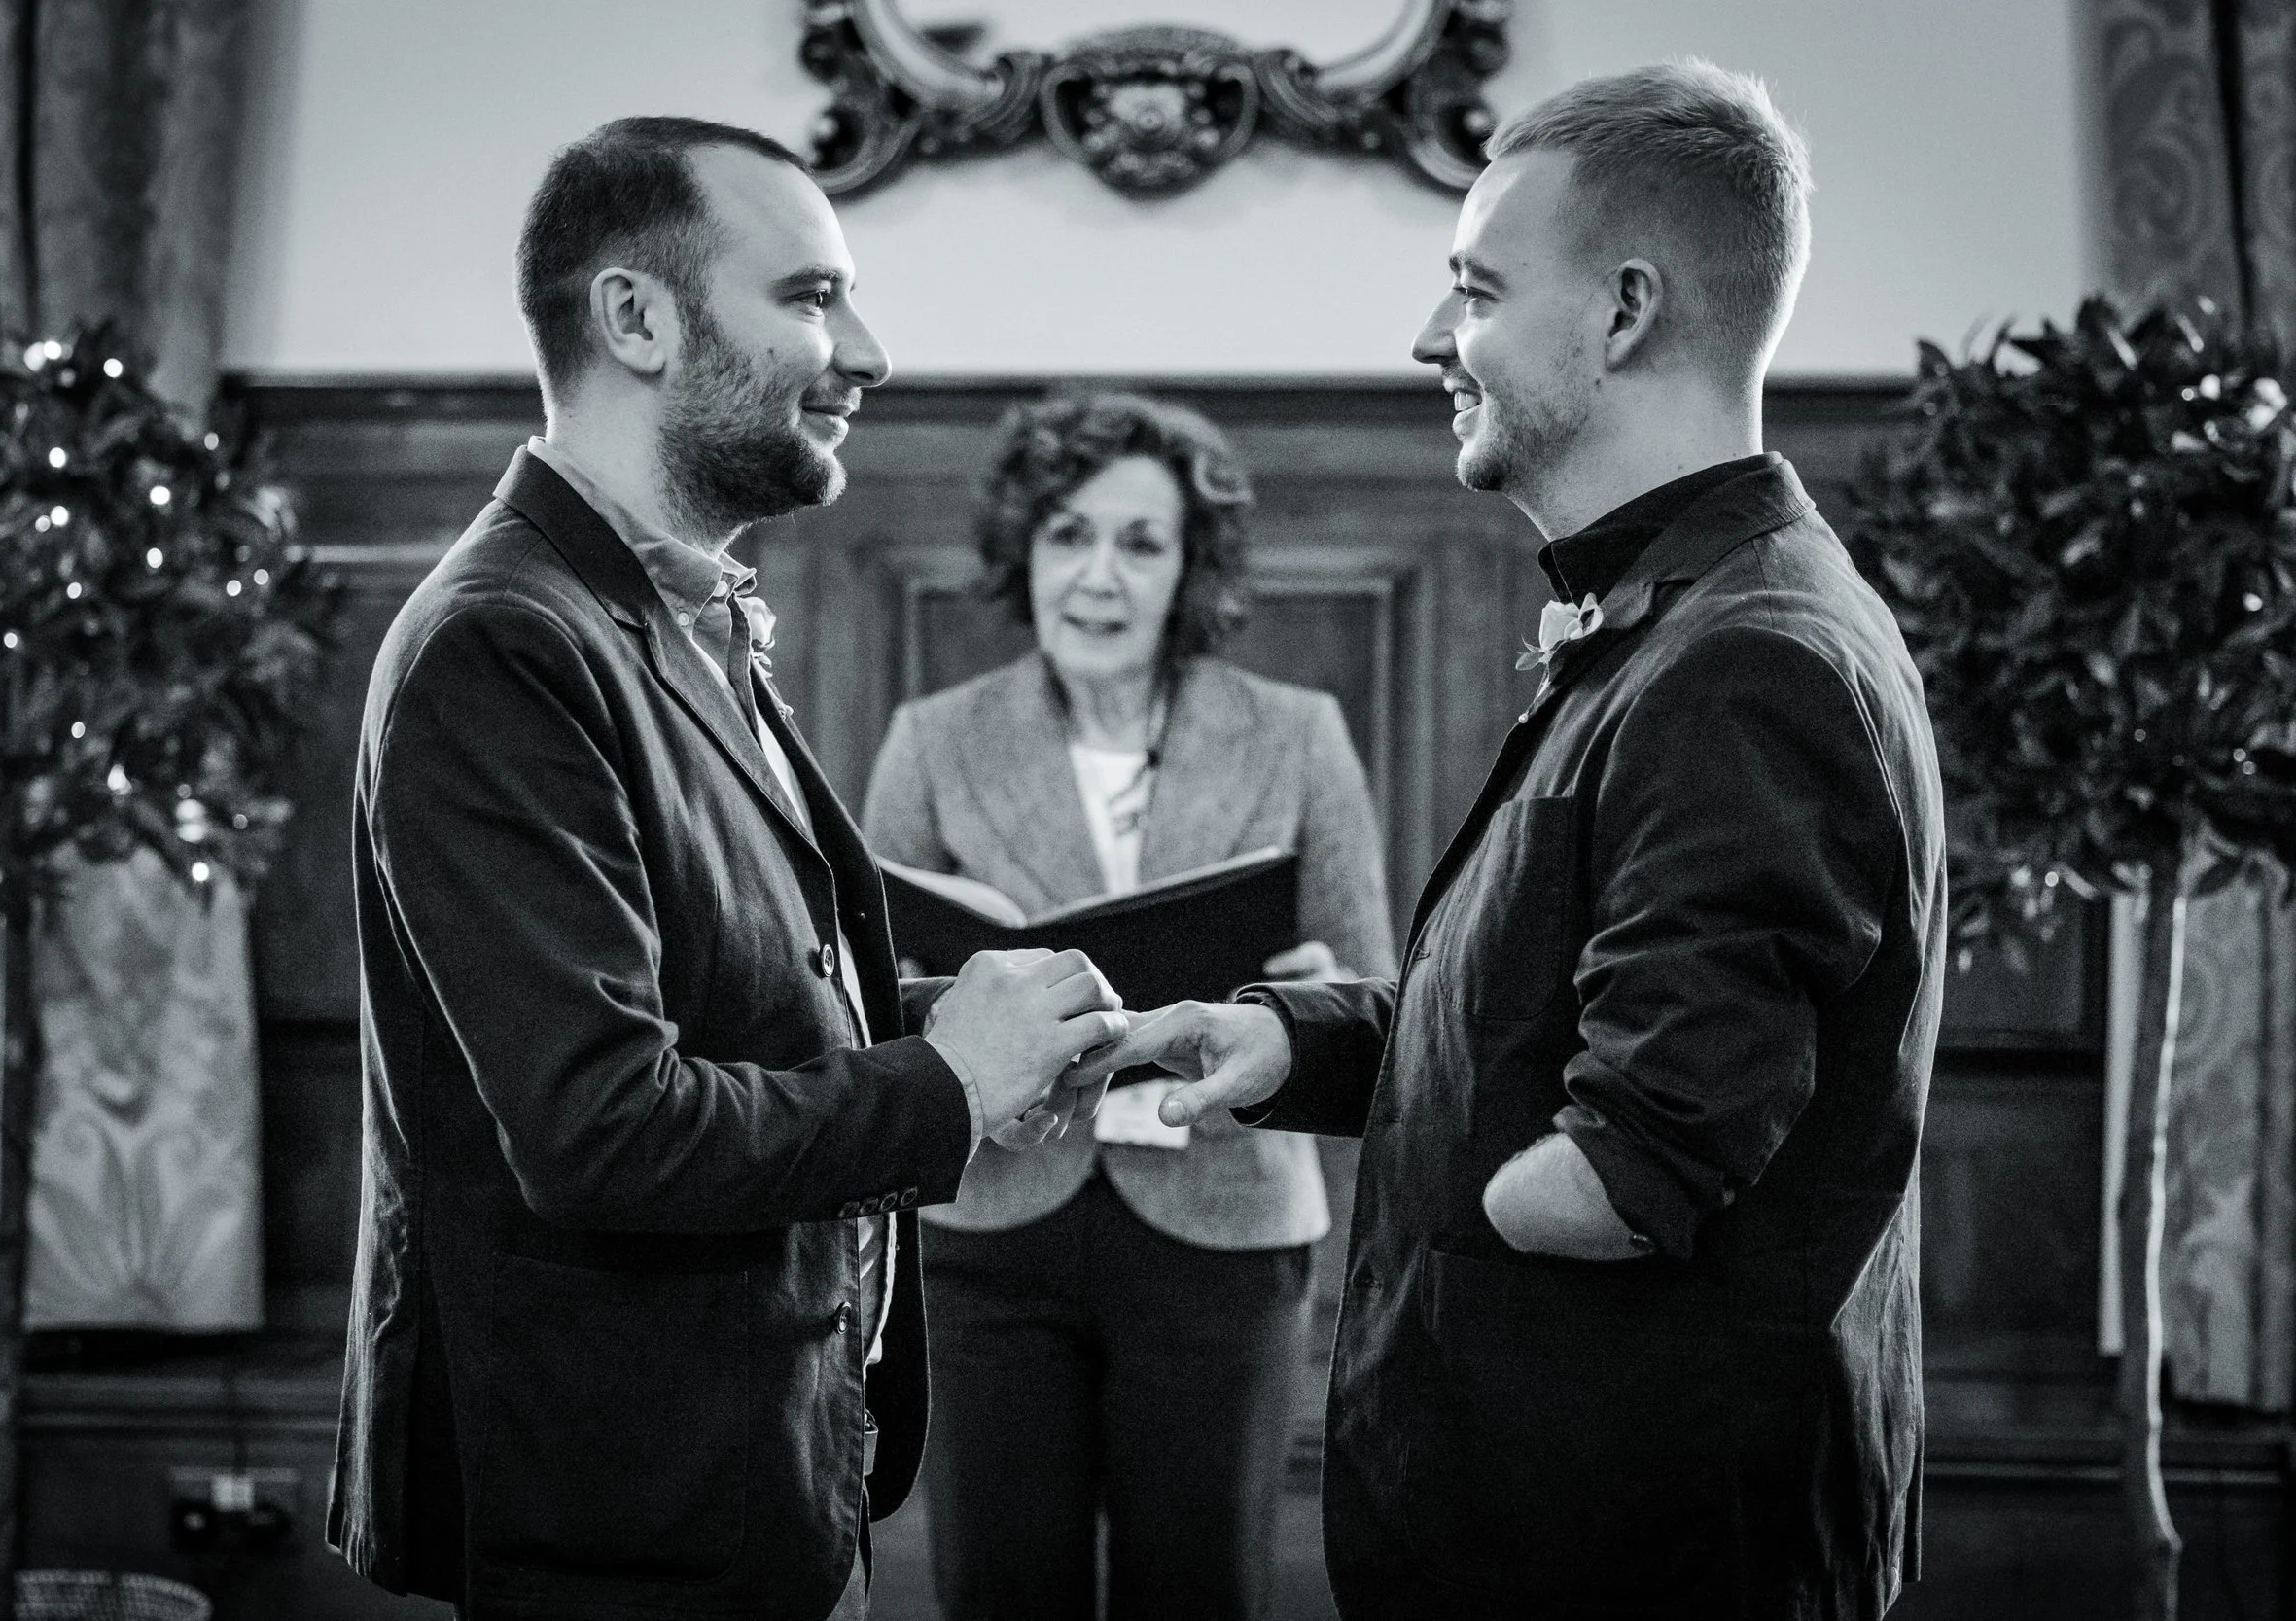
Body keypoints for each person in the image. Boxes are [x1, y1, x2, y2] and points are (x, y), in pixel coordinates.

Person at [1085, 61, 1946, 1621]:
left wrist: (1453, 1209)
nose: (1433, 337)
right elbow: (1545, 1015)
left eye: (1476, 290)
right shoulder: (1682, 616)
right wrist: (1295, 1042)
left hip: (1631, 1543)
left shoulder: (1750, 659)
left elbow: (1629, 1166)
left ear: (1624, 310)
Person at [330, 118, 1123, 1621]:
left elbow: (728, 997)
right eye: (812, 297)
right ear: (636, 317)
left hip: (775, 1467)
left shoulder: (665, 608)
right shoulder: (504, 638)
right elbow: (603, 1126)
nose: (866, 352)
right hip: (629, 1509)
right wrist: (947, 1083)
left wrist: (1007, 1031)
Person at [861, 391, 1395, 1621]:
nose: (1097, 575)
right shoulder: (932, 738)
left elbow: (1370, 988)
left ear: (1187, 568)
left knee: (1198, 1585)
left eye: (1140, 542)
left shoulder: (1297, 733)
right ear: (1026, 549)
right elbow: (875, 996)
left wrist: (1303, 994)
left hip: (1224, 1218)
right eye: (1068, 534)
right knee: (1002, 1588)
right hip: (990, 1223)